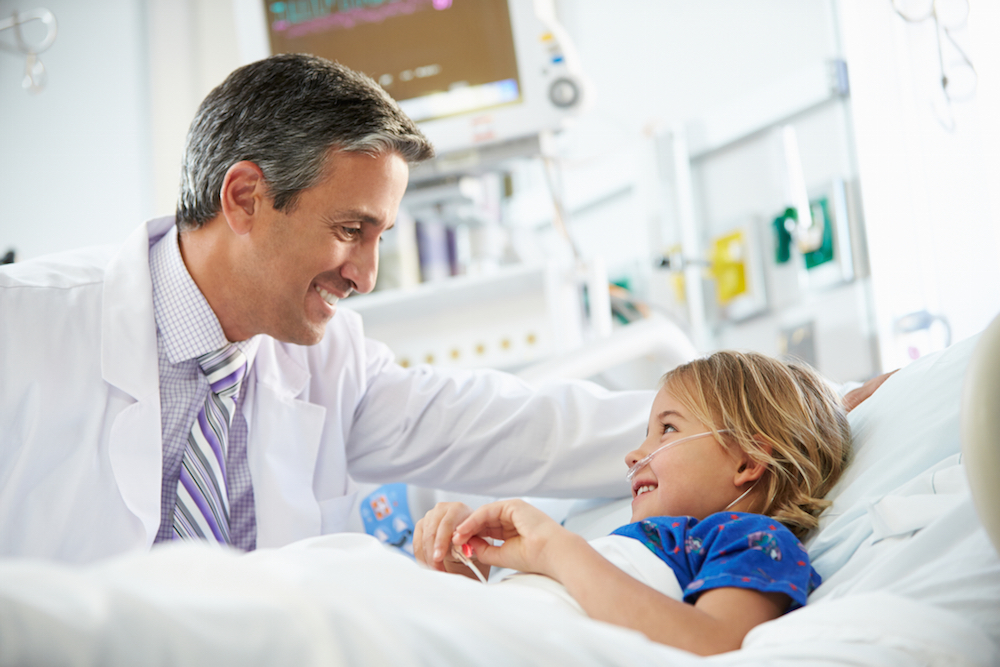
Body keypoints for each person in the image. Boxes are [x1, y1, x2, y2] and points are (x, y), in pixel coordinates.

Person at [0, 54, 653, 562]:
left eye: (379, 239)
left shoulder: (330, 363)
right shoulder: (21, 326)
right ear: (246, 197)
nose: (366, 276)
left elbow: (516, 428)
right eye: (350, 230)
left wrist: (721, 432)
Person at [414, 351, 852, 656]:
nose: (634, 454)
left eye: (667, 429)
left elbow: (713, 646)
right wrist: (463, 570)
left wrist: (555, 549)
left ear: (748, 461)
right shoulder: (620, 544)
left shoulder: (753, 540)